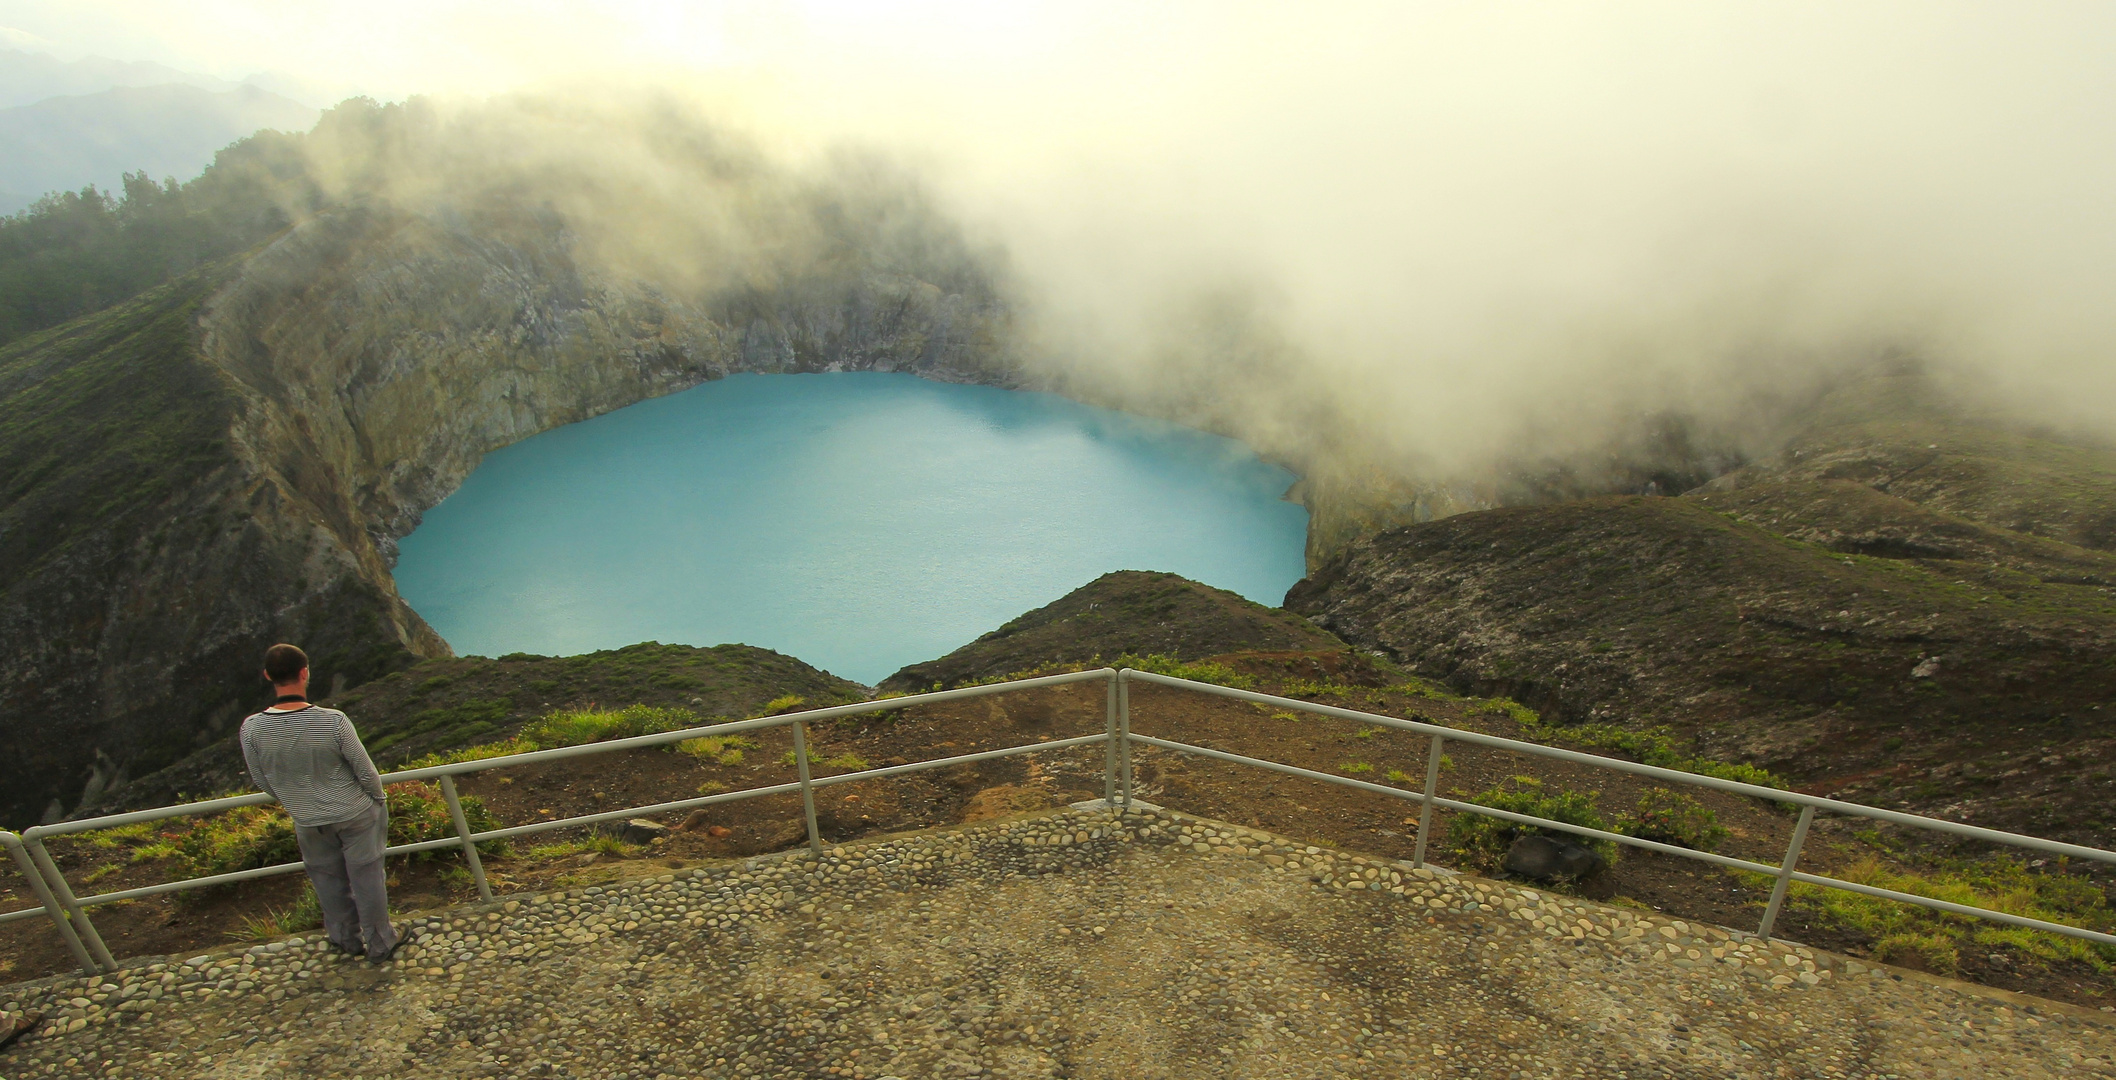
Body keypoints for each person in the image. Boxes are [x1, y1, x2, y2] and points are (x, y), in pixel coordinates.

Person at [238, 644, 399, 962]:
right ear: (304, 673)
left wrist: (296, 800)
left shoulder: (252, 728)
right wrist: (378, 801)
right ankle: (380, 943)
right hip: (355, 813)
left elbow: (261, 779)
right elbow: (365, 772)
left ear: (268, 676)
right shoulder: (333, 721)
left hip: (307, 819)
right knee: (367, 878)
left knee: (326, 879)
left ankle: (344, 939)